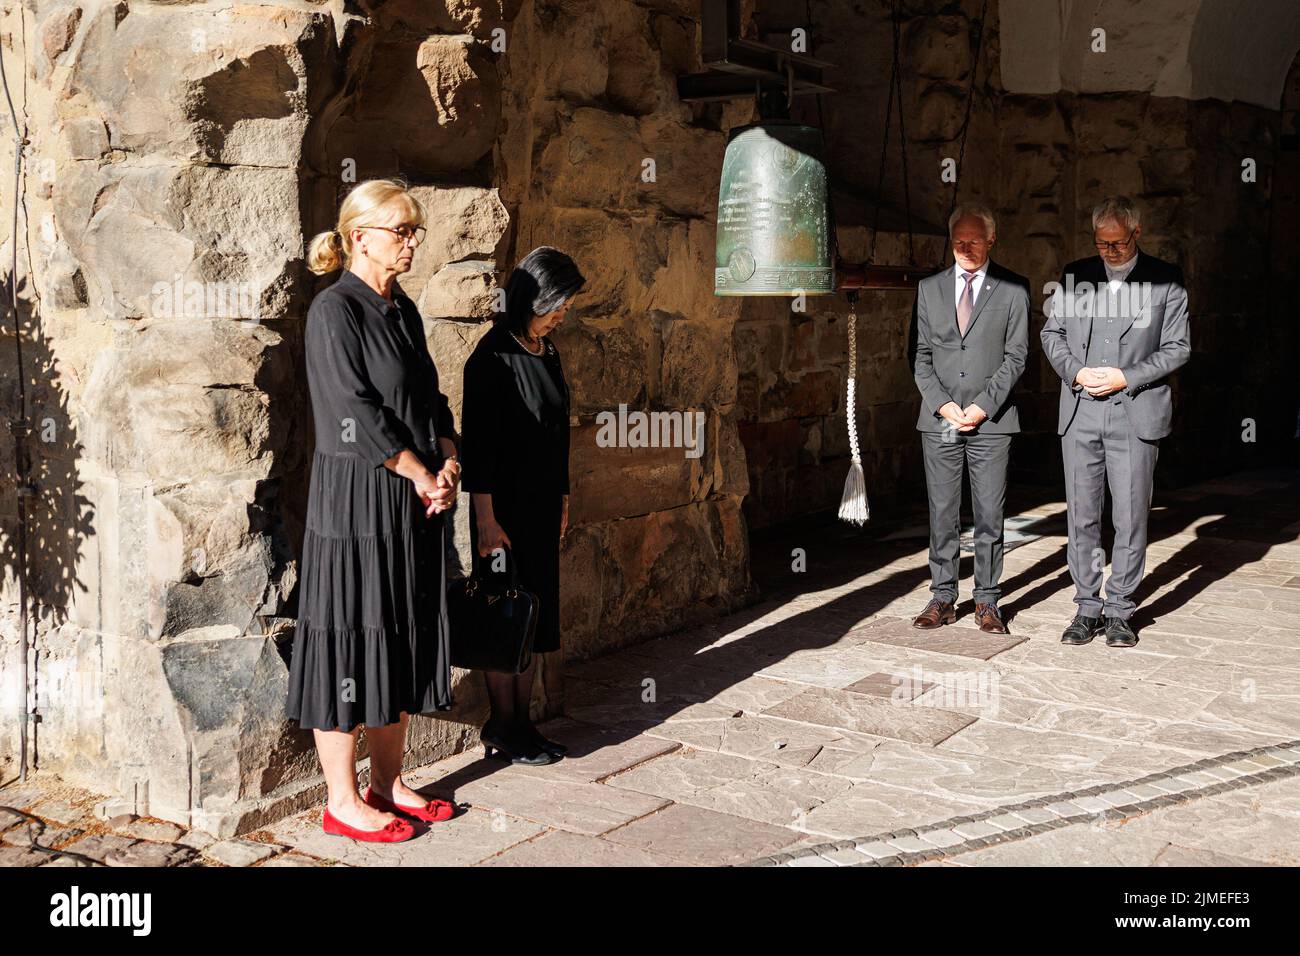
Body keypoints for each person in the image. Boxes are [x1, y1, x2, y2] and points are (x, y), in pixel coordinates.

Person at [286, 179, 462, 842]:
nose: (412, 242)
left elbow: (429, 394)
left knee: (401, 633)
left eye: (414, 231)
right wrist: (418, 471)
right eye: (401, 231)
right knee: (352, 638)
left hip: (411, 500)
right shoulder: (336, 312)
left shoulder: (402, 309)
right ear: (360, 236)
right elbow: (351, 415)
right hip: (357, 503)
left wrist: (446, 456)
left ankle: (387, 783)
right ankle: (341, 800)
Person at [1041, 196, 1191, 648]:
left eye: (1118, 243)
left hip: (1135, 411)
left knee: (1129, 516)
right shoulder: (1074, 275)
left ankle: (1121, 609)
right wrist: (1076, 370)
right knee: (1083, 515)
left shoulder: (1166, 280)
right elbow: (1052, 334)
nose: (1109, 251)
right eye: (1101, 243)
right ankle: (1087, 607)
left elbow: (1178, 347)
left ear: (1136, 234)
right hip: (1081, 410)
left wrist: (1127, 375)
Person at [460, 246, 585, 765]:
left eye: (566, 307)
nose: (562, 315)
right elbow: (480, 452)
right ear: (531, 298)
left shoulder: (547, 352)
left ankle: (521, 724)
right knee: (504, 615)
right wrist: (487, 523)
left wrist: (561, 497)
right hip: (502, 513)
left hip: (538, 507)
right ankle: (503, 724)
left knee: (533, 616)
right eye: (557, 305)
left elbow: (556, 434)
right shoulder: (490, 359)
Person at [911, 202, 1030, 635]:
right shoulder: (929, 289)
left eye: (973, 240)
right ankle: (943, 597)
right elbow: (920, 356)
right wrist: (943, 405)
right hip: (940, 418)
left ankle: (987, 601)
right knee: (942, 512)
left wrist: (982, 406)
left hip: (992, 421)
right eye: (958, 240)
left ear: (991, 240)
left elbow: (1017, 357)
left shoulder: (1014, 289)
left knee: (988, 514)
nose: (964, 247)